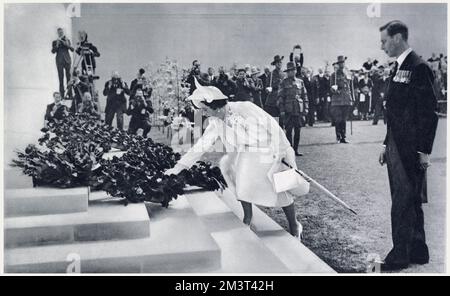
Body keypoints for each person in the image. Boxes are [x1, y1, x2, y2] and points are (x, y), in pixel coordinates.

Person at [165, 78, 304, 239]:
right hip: (246, 154)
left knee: (280, 186)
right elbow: (200, 146)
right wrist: (178, 167)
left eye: (204, 109)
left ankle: (294, 225)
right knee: (233, 169)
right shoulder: (215, 123)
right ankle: (247, 218)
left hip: (270, 149)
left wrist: (282, 153)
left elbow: (273, 127)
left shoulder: (245, 107)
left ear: (214, 106)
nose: (203, 113)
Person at [378, 20, 438, 271]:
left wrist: (424, 150)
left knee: (403, 200)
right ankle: (418, 250)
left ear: (398, 38)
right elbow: (395, 112)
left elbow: (428, 113)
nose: (381, 47)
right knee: (410, 198)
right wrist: (385, 143)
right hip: (396, 144)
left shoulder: (418, 67)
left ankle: (400, 255)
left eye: (384, 41)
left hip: (410, 147)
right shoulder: (400, 67)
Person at [278, 62, 308, 157]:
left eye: (293, 70)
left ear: (295, 71)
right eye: (290, 71)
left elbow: (305, 96)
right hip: (288, 109)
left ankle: (296, 150)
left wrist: (306, 108)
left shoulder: (300, 82)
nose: (292, 72)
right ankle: (290, 150)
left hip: (298, 109)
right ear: (287, 72)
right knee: (289, 131)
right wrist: (282, 110)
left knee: (298, 130)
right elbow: (280, 97)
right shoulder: (283, 82)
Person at [330, 56, 355, 143]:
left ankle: (343, 137)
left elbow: (351, 86)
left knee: (344, 119)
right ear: (338, 64)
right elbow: (331, 87)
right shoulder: (334, 75)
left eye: (343, 63)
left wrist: (352, 97)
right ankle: (338, 136)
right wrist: (334, 89)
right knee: (338, 119)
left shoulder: (348, 74)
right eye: (340, 63)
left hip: (346, 99)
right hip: (337, 100)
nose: (342, 64)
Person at [52, 28, 74, 98]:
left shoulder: (67, 40)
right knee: (60, 78)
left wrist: (66, 44)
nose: (60, 33)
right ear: (57, 33)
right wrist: (57, 45)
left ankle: (70, 94)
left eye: (61, 32)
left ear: (63, 32)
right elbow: (53, 51)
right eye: (59, 33)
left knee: (69, 78)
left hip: (67, 61)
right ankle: (62, 95)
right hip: (59, 61)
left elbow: (72, 49)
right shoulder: (55, 42)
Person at [264, 55, 285, 125]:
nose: (279, 64)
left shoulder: (284, 74)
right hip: (273, 99)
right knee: (274, 120)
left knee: (282, 119)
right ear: (275, 64)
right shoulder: (271, 74)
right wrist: (269, 89)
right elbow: (267, 86)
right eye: (278, 63)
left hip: (282, 98)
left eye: (280, 62)